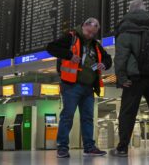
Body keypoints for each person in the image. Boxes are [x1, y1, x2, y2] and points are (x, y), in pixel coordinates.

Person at [46, 18, 112, 158]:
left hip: (89, 87)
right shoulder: (71, 37)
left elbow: (108, 58)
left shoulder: (95, 44)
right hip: (71, 85)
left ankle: (89, 147)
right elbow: (51, 47)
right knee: (67, 116)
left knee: (88, 118)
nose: (90, 35)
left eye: (93, 33)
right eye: (89, 32)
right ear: (83, 26)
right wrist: (69, 55)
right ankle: (62, 147)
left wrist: (104, 65)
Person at [111, 0, 149, 157]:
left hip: (134, 78)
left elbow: (121, 56)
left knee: (128, 112)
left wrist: (121, 77)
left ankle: (122, 148)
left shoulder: (125, 29)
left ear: (130, 11)